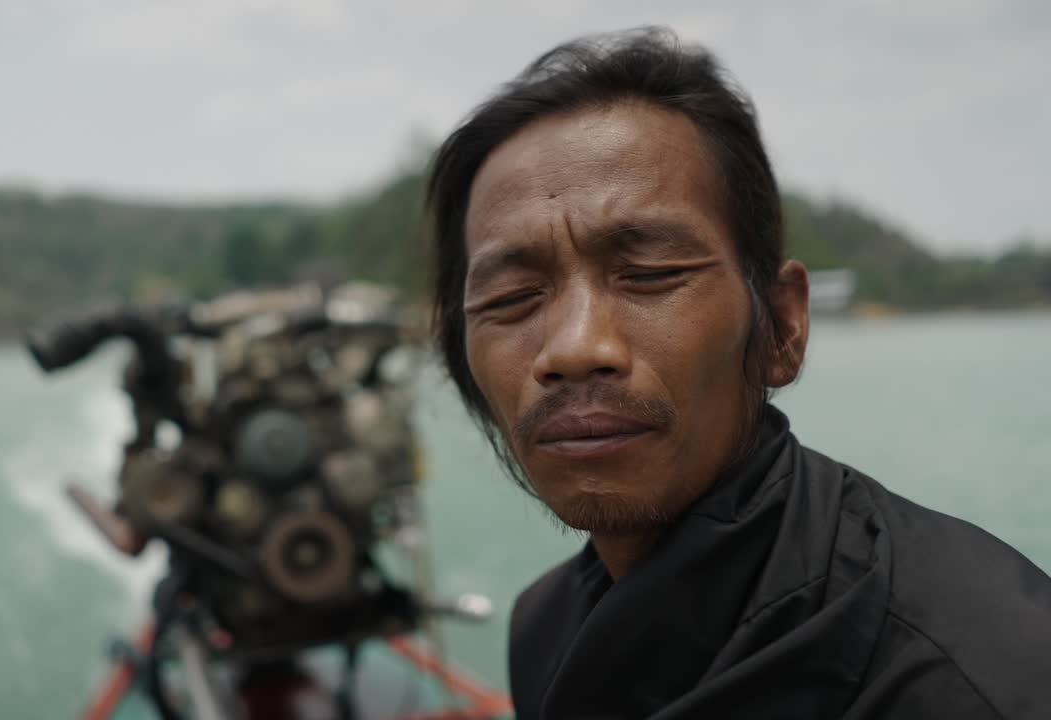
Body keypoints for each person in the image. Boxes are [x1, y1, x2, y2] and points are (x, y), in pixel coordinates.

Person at [425, 26, 1051, 719]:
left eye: (650, 274)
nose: (574, 348)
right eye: (512, 298)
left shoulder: (983, 675)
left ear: (782, 323)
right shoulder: (545, 630)